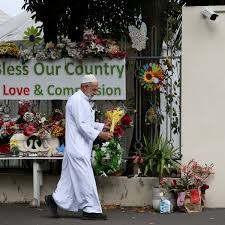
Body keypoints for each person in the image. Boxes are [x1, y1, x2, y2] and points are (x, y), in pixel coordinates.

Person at [45, 74, 113, 220]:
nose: (96, 92)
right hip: (78, 148)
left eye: (96, 89)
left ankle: (54, 199)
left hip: (78, 146)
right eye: (94, 89)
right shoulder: (77, 100)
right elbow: (82, 126)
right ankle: (90, 210)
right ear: (85, 86)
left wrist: (103, 126)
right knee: (85, 178)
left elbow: (85, 123)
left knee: (68, 181)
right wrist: (100, 134)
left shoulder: (82, 100)